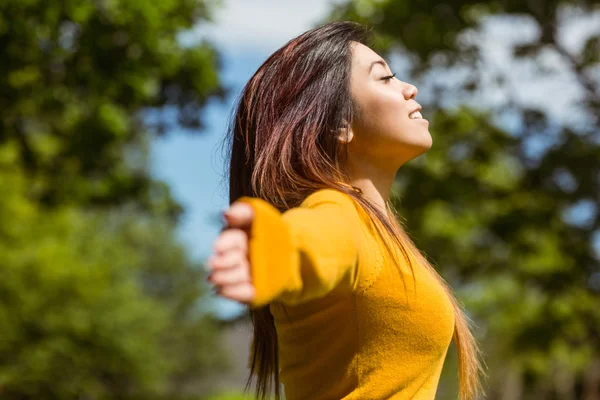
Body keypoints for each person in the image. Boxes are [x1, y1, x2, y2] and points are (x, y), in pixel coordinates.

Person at [206, 21, 486, 400]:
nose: (409, 88)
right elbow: (315, 239)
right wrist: (275, 249)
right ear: (339, 125)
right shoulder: (339, 211)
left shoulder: (377, 227)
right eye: (385, 78)